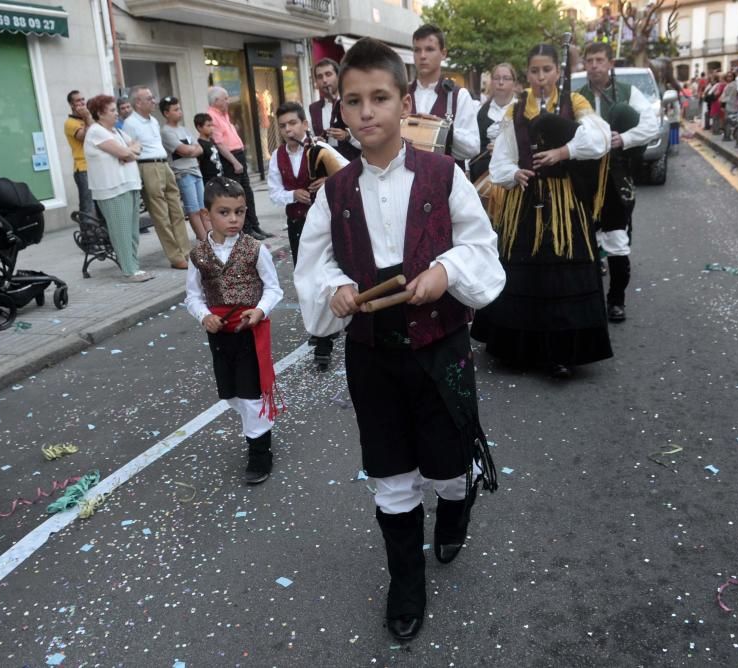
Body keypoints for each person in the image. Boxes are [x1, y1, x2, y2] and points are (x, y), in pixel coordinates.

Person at [294, 37, 505, 643]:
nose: (366, 112)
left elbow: (479, 248)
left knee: (445, 467)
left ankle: (457, 500)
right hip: (371, 357)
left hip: (441, 349)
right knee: (391, 473)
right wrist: (335, 288)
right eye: (354, 100)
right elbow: (316, 265)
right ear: (342, 110)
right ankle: (405, 580)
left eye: (380, 98)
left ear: (403, 101)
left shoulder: (445, 174)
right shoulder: (332, 193)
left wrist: (445, 273)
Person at [470, 42, 612, 379]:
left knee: (561, 274)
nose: (541, 77)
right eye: (534, 71)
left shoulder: (574, 103)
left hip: (564, 202)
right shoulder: (515, 111)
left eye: (547, 70)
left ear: (557, 72)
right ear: (527, 75)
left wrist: (563, 152)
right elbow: (500, 159)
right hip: (524, 201)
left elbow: (599, 139)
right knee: (523, 274)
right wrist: (512, 173)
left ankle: (560, 353)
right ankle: (518, 349)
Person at [185, 176, 283, 484]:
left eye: (239, 212)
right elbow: (193, 295)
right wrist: (203, 316)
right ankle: (257, 429)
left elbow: (273, 288)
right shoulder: (199, 254)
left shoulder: (255, 249)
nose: (233, 219)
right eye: (224, 212)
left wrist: (260, 310)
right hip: (219, 332)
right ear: (207, 214)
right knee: (231, 394)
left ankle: (260, 452)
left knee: (251, 392)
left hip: (249, 332)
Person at [577, 42, 657, 324]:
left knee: (616, 238)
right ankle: (589, 300)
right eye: (590, 60)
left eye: (600, 60)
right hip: (585, 176)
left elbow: (650, 124)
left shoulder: (627, 92)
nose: (595, 65)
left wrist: (624, 139)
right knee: (585, 238)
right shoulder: (578, 97)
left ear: (609, 63)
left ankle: (616, 301)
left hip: (616, 174)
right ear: (584, 64)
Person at [267, 101, 347, 369]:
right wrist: (293, 195)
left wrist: (329, 180)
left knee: (324, 274)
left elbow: (350, 173)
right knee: (306, 277)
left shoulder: (321, 149)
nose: (288, 129)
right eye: (283, 125)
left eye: (292, 123)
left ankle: (323, 341)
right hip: (298, 223)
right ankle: (322, 326)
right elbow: (274, 192)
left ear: (304, 124)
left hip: (326, 224)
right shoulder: (277, 157)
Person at [83, 94, 152, 283]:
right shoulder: (97, 131)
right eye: (112, 110)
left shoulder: (118, 132)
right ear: (100, 113)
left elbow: (137, 147)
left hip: (130, 184)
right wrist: (127, 153)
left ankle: (134, 266)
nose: (116, 113)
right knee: (120, 231)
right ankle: (129, 271)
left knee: (132, 231)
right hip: (112, 188)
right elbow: (124, 152)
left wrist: (129, 153)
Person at [124, 86, 194, 270]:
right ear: (138, 103)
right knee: (161, 214)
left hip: (164, 164)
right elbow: (130, 149)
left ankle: (185, 251)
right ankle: (175, 256)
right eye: (149, 98)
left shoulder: (154, 120)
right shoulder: (130, 123)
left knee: (177, 211)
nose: (154, 101)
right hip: (147, 166)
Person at [207, 86, 272, 240]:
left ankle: (255, 225)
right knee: (237, 195)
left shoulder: (223, 114)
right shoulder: (211, 116)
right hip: (230, 159)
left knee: (247, 193)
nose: (228, 101)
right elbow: (219, 143)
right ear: (216, 101)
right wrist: (235, 162)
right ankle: (247, 230)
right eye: (225, 99)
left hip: (238, 154)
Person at [409, 24, 480, 161]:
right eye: (417, 50)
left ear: (443, 54)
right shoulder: (401, 94)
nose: (422, 56)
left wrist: (442, 128)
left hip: (444, 179)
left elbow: (473, 148)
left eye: (429, 49)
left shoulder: (459, 95)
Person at [159, 96, 209, 241]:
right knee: (193, 209)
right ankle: (204, 239)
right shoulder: (166, 132)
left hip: (195, 170)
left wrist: (191, 150)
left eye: (179, 109)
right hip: (183, 173)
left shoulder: (184, 129)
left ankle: (212, 238)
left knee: (203, 208)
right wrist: (191, 150)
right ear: (166, 113)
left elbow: (199, 149)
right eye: (175, 110)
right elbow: (183, 150)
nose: (180, 112)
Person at [470, 62, 517, 183]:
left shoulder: (522, 111)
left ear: (514, 83)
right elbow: (472, 145)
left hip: (512, 177)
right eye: (496, 78)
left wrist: (502, 149)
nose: (501, 82)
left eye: (506, 78)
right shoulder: (479, 111)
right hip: (482, 177)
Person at [309, 58, 362, 161]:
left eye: (328, 74)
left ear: (338, 77)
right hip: (327, 168)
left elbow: (368, 140)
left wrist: (347, 136)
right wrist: (317, 140)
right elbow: (310, 137)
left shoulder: (353, 103)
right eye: (320, 77)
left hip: (354, 165)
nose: (324, 80)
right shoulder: (313, 109)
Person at [64, 90, 95, 217]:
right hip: (83, 168)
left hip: (94, 165)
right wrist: (87, 118)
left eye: (83, 99)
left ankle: (101, 233)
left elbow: (98, 134)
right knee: (88, 205)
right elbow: (84, 137)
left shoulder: (88, 119)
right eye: (78, 100)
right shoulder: (70, 123)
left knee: (98, 203)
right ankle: (88, 235)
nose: (82, 102)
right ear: (72, 105)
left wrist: (88, 118)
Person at [193, 113, 224, 182]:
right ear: (199, 127)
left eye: (212, 125)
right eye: (208, 126)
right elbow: (198, 164)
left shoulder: (212, 141)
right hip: (209, 181)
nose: (212, 128)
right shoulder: (200, 145)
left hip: (220, 179)